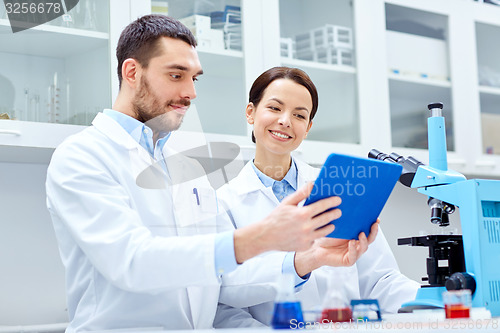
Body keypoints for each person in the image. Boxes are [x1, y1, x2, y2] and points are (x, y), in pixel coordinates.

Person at [45, 15, 376, 331]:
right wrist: (262, 236)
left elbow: (224, 277)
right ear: (132, 72)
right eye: (177, 75)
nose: (191, 92)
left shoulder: (186, 164)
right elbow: (132, 262)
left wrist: (305, 260)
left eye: (194, 78)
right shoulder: (82, 156)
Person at [217, 66, 421, 325]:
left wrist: (431, 301)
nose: (285, 121)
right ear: (251, 112)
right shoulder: (224, 202)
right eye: (275, 108)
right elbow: (225, 302)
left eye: (299, 115)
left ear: (308, 126)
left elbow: (380, 280)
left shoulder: (342, 186)